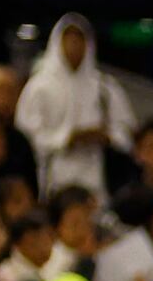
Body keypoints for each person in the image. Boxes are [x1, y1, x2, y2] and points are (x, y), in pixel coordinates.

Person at [16, 11, 112, 201]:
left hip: (94, 179)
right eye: (69, 40)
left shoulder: (102, 86)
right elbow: (27, 135)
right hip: (54, 179)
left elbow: (124, 130)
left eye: (80, 40)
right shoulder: (39, 86)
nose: (75, 46)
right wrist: (66, 139)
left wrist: (106, 136)